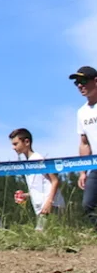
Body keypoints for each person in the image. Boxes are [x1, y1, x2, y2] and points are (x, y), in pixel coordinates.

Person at [9, 127, 64, 231]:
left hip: (50, 205)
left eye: (15, 144)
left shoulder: (39, 159)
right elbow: (40, 186)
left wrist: (49, 202)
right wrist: (26, 195)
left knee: (41, 233)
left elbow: (55, 181)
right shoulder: (28, 162)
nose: (13, 147)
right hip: (41, 207)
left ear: (26, 142)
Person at [71, 65, 97, 226]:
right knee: (88, 205)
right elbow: (84, 143)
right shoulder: (82, 112)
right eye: (77, 83)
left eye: (83, 81)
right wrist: (82, 172)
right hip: (95, 165)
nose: (80, 85)